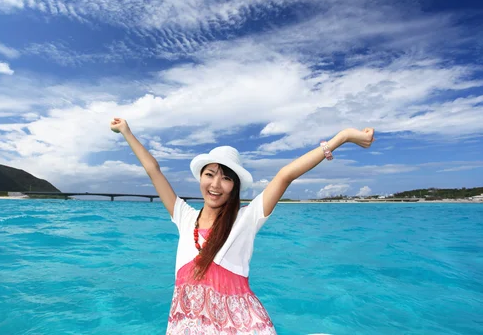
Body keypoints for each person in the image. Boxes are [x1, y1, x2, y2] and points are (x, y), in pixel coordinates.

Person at [110, 117, 375, 334]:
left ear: (235, 186)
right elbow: (153, 169)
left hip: (238, 327)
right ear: (200, 177)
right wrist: (126, 131)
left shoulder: (245, 219)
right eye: (210, 174)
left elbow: (285, 175)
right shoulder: (184, 216)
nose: (215, 185)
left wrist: (341, 138)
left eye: (225, 178)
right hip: (188, 326)